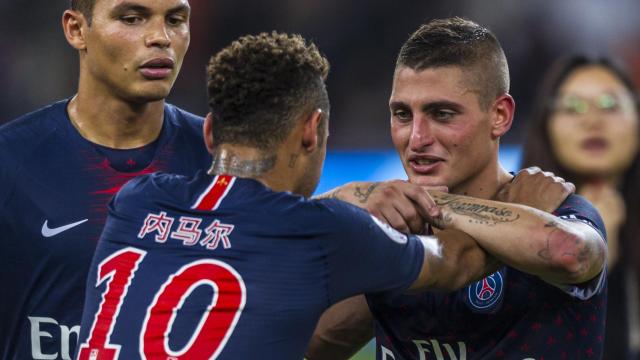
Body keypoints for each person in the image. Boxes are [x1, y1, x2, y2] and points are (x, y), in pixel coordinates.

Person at [75, 31, 573, 360]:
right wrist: (513, 206)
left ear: (209, 133)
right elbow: (459, 261)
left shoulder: (137, 199)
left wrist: (350, 198)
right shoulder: (324, 232)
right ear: (312, 131)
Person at [307, 17, 608, 360]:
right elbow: (314, 343)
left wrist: (437, 205)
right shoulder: (393, 226)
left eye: (442, 113)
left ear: (500, 115)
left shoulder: (556, 211)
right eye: (403, 114)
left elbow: (569, 252)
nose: (417, 139)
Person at [0, 1, 211, 359]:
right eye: (132, 18)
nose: (160, 38)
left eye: (175, 20)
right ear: (76, 30)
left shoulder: (220, 161)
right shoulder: (10, 162)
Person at [522, 55, 640, 359]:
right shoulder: (515, 220)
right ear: (546, 125)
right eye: (573, 107)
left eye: (610, 105)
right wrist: (597, 254)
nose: (592, 120)